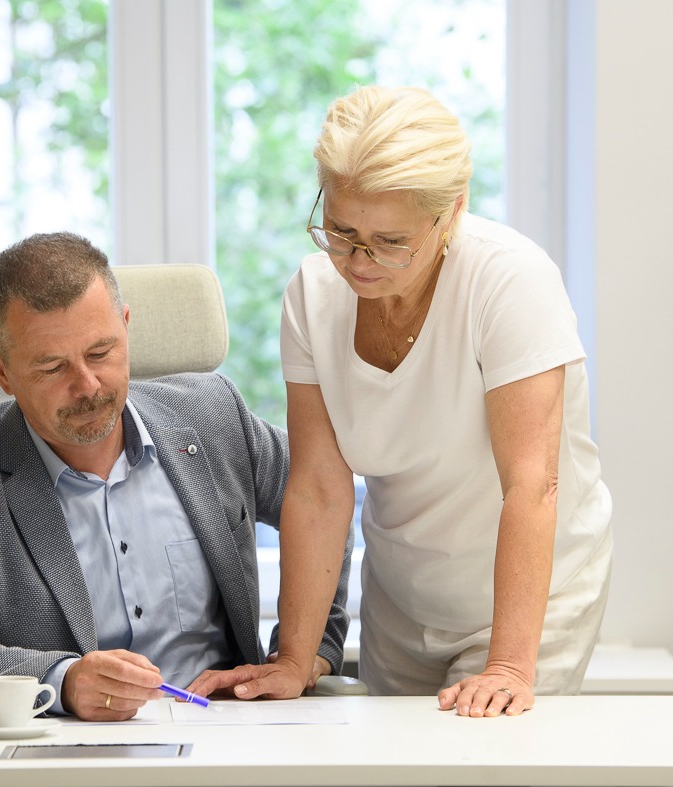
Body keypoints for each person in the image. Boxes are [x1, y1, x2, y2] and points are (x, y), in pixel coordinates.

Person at [188, 86, 612, 718]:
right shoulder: (314, 294)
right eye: (340, 230)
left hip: (528, 610)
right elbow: (318, 488)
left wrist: (509, 666)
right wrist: (294, 659)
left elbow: (532, 485)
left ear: (451, 213)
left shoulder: (509, 281)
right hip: (401, 596)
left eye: (390, 242)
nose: (359, 262)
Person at [0, 232, 353, 721]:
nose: (87, 386)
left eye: (101, 352)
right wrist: (62, 682)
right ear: (0, 372)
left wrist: (306, 654)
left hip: (228, 736)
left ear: (126, 328)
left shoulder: (214, 417)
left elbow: (324, 499)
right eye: (52, 366)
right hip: (70, 756)